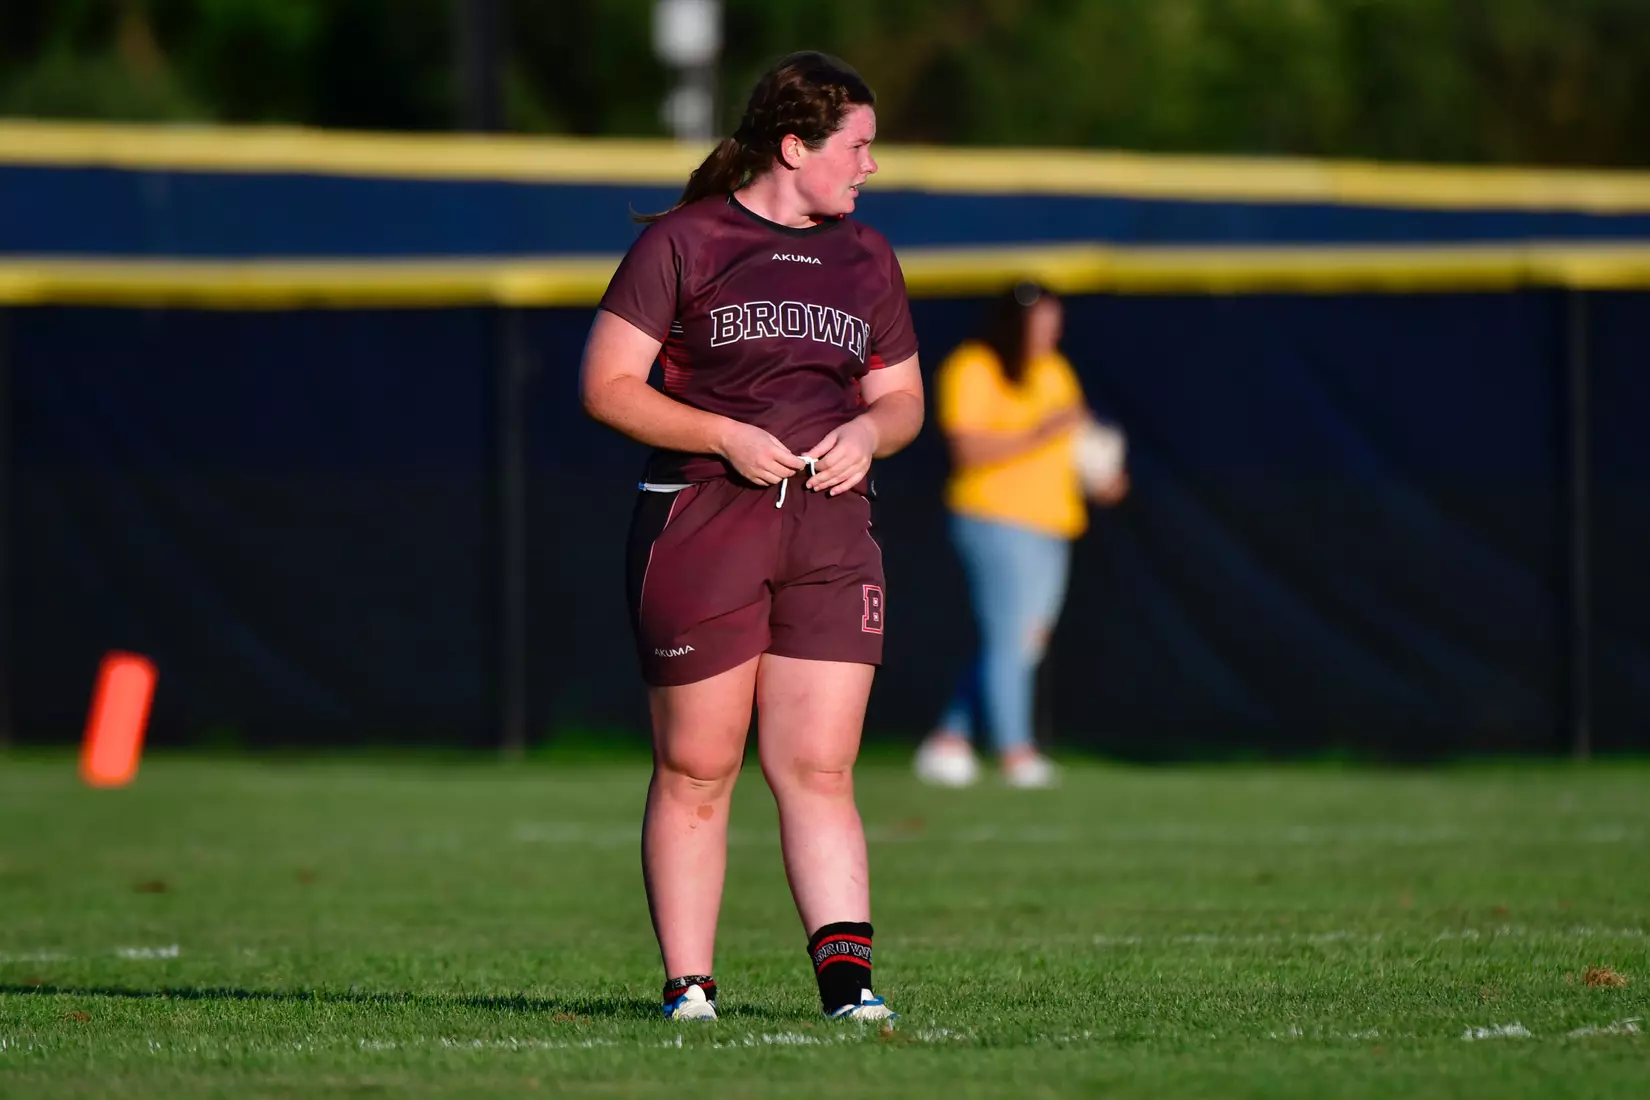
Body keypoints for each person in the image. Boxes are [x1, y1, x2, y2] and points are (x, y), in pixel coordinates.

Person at [579, 51, 923, 1023]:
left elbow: (901, 400)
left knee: (819, 764)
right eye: (855, 146)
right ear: (793, 144)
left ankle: (848, 986)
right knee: (698, 764)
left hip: (829, 529)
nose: (869, 166)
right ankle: (690, 986)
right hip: (704, 520)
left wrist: (866, 429)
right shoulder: (688, 240)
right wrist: (724, 432)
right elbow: (606, 385)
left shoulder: (868, 256)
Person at [913, 282, 1129, 789]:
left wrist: (1102, 475)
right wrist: (1043, 429)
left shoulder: (1055, 371)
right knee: (1009, 638)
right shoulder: (973, 367)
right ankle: (1016, 753)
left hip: (1054, 521)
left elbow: (1073, 442)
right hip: (994, 520)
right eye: (1040, 324)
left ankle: (950, 737)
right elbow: (968, 450)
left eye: (1055, 324)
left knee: (1022, 643)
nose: (1049, 334)